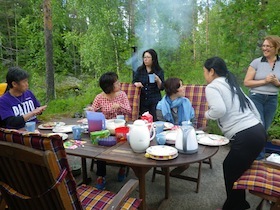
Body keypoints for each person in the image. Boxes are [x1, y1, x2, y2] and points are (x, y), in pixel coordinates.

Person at [203, 57, 266, 210]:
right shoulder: (231, 84)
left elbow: (219, 110)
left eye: (204, 71)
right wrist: (258, 127)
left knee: (230, 168)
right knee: (234, 169)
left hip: (246, 135)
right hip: (257, 131)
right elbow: (252, 107)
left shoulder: (212, 87)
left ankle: (233, 206)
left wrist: (206, 115)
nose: (204, 74)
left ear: (211, 71)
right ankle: (240, 203)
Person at [90, 72, 131, 190]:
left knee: (124, 145)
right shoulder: (99, 97)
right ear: (109, 86)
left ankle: (123, 167)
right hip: (105, 128)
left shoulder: (122, 95)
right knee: (100, 148)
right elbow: (93, 112)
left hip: (120, 127)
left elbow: (129, 111)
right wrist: (90, 110)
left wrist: (120, 107)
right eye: (116, 82)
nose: (119, 84)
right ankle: (101, 175)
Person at [244, 35, 280, 159]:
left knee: (264, 129)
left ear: (276, 47)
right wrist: (264, 81)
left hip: (272, 100)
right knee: (259, 128)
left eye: (268, 46)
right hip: (256, 97)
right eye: (263, 46)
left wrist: (277, 83)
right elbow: (247, 82)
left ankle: (252, 155)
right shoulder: (256, 62)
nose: (265, 48)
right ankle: (258, 159)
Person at [133, 49, 164, 121]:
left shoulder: (159, 70)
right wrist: (137, 84)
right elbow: (134, 81)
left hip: (154, 100)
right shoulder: (140, 70)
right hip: (142, 100)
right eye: (144, 57)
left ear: (153, 59)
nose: (145, 59)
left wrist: (158, 80)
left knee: (155, 120)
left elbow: (162, 88)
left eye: (148, 57)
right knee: (144, 120)